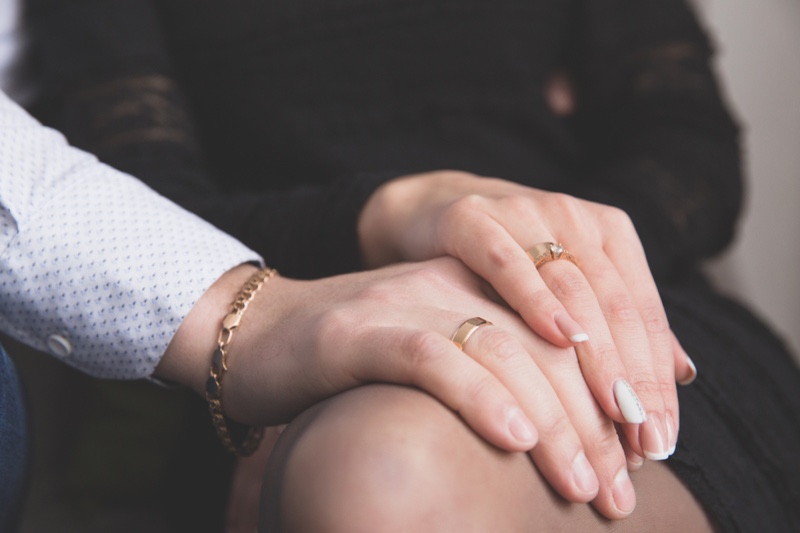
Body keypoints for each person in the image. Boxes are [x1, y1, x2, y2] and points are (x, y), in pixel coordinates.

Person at [22, 0, 800, 531]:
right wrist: (381, 221)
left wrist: (519, 270)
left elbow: (691, 154)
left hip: (605, 310)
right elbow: (139, 205)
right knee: (378, 469)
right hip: (294, 318)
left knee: (382, 468)